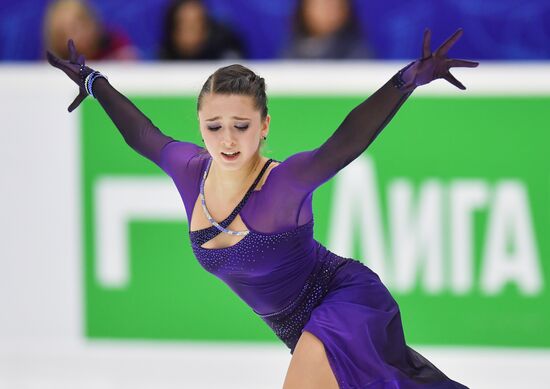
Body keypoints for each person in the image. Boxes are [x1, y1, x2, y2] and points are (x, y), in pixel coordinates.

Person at [47, 28, 478, 388]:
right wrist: (92, 81)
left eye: (241, 126)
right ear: (199, 123)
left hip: (343, 301)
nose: (228, 140)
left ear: (265, 126)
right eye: (214, 126)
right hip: (296, 329)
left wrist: (406, 80)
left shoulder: (283, 185)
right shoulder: (188, 171)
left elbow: (343, 145)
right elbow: (143, 135)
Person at [43, 0, 138, 61]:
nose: (79, 34)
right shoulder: (55, 67)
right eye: (64, 33)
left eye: (82, 23)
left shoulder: (116, 46)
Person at [283, 0, 372, 59]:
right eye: (321, 6)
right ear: (304, 9)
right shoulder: (290, 52)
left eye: (334, 6)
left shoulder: (358, 54)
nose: (327, 11)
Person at [159, 0, 244, 60]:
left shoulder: (225, 51)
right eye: (184, 27)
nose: (189, 34)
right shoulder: (163, 57)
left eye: (194, 27)